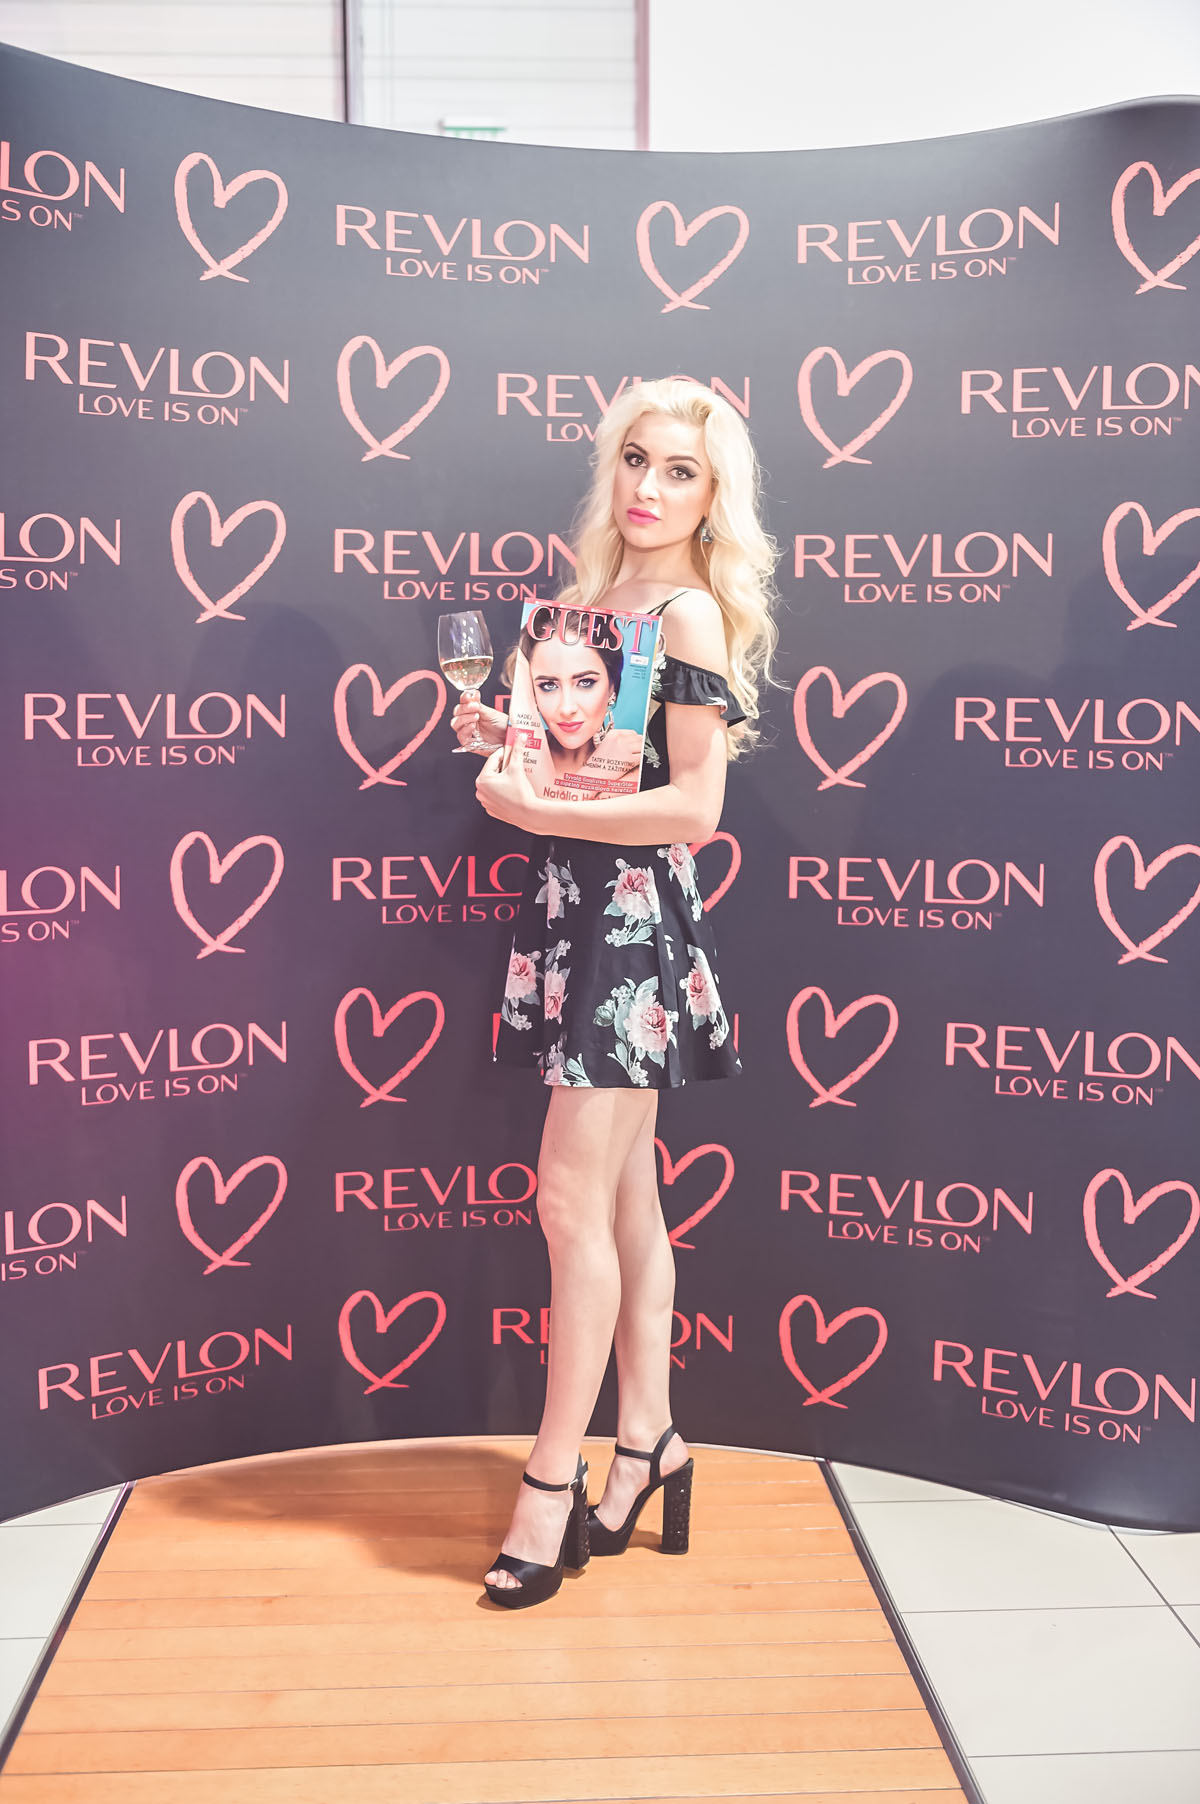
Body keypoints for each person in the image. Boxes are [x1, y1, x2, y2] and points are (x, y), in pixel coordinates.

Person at [450, 377, 778, 1609]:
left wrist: (528, 810)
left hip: (630, 930)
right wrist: (515, 738)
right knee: (629, 1201)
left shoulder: (684, 614)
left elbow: (695, 808)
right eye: (636, 458)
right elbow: (591, 767)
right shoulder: (594, 604)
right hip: (574, 916)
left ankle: (552, 1482)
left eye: (680, 469)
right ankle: (651, 1441)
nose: (649, 486)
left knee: (569, 1201)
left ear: (714, 493)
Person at [513, 619, 644, 796]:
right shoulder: (516, 754)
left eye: (585, 682)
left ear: (612, 687)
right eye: (548, 685)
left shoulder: (632, 760)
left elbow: (546, 812)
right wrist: (598, 771)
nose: (567, 709)